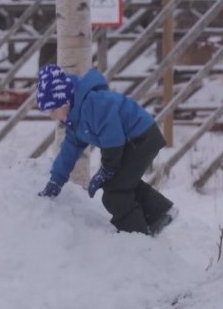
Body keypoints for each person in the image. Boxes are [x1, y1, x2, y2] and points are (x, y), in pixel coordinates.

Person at [35, 64, 177, 236]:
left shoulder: (93, 103)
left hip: (140, 138)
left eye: (52, 109)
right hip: (131, 140)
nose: (52, 116)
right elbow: (69, 150)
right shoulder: (76, 118)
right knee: (121, 181)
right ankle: (160, 213)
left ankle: (137, 237)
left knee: (114, 192)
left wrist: (106, 170)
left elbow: (113, 139)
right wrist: (55, 181)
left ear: (63, 100)